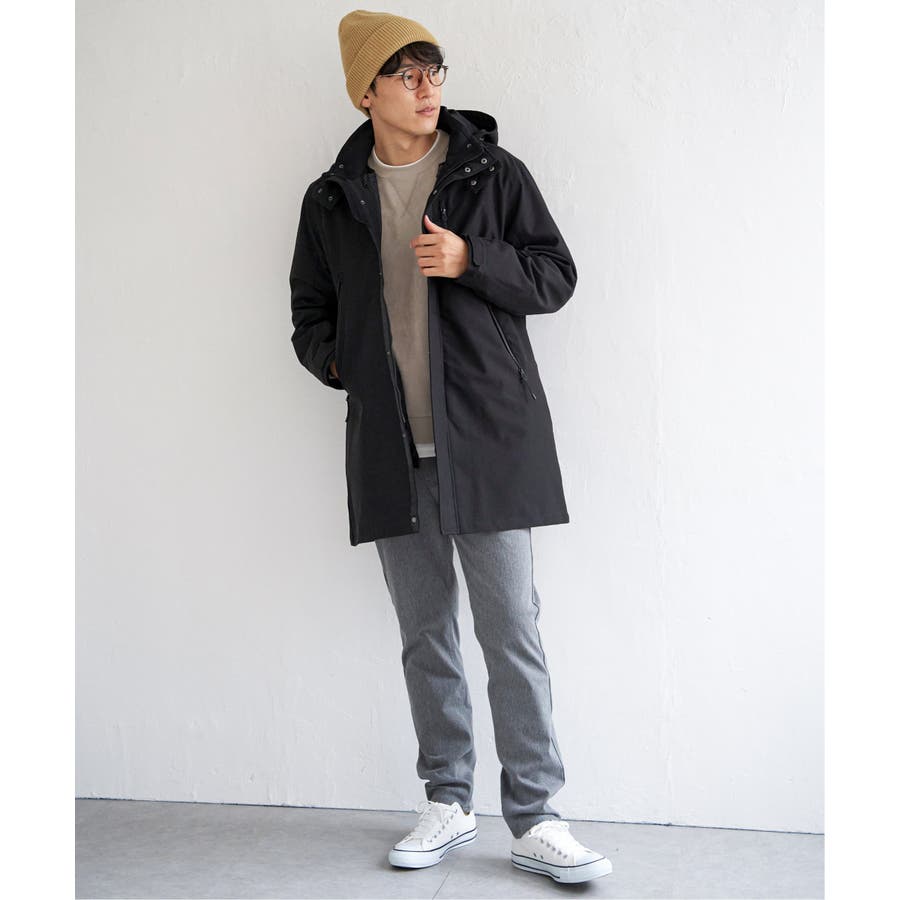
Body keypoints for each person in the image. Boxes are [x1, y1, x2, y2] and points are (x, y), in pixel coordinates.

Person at [289, 9, 612, 886]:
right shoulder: (331, 199)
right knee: (424, 634)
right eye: (406, 73)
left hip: (489, 440)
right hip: (392, 451)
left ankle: (537, 816)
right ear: (366, 92)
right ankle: (448, 799)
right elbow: (309, 312)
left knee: (512, 631)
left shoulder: (490, 173)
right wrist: (342, 364)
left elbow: (556, 276)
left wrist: (473, 260)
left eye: (434, 69)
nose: (428, 87)